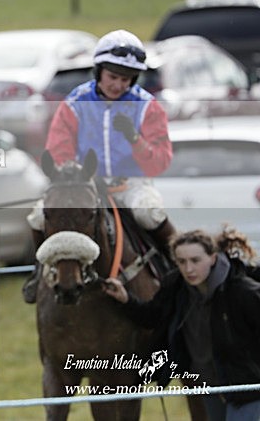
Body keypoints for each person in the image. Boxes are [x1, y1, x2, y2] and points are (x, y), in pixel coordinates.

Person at [22, 29, 175, 303]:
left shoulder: (148, 107)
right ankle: (39, 274)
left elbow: (160, 160)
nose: (118, 85)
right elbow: (58, 151)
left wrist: (134, 138)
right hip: (83, 183)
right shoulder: (74, 103)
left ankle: (176, 270)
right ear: (99, 72)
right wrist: (78, 173)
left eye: (125, 79)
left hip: (131, 185)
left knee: (149, 214)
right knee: (37, 217)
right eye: (112, 77)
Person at [102, 228, 260, 421]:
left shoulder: (244, 292)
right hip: (207, 385)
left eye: (195, 260)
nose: (189, 269)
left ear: (213, 258)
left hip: (248, 387)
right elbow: (152, 318)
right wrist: (126, 299)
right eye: (182, 262)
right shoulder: (175, 287)